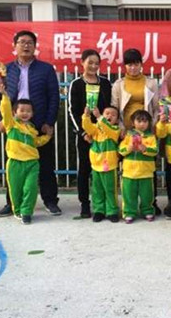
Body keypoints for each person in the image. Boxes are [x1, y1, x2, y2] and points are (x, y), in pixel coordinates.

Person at [0, 30, 61, 217]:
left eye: (30, 42)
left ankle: (50, 200)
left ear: (35, 46)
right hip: (14, 125)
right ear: (14, 46)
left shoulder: (46, 69)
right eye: (22, 42)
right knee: (14, 166)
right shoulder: (5, 70)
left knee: (46, 165)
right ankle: (12, 203)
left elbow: (54, 97)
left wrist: (49, 121)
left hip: (38, 123)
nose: (26, 45)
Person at [111, 48, 160, 212]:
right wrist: (121, 128)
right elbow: (114, 109)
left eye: (136, 64)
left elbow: (156, 108)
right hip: (126, 132)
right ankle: (128, 206)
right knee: (127, 168)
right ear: (125, 66)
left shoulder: (151, 83)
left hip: (147, 131)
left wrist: (152, 127)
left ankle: (151, 203)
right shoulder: (118, 85)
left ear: (141, 64)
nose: (133, 68)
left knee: (149, 165)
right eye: (129, 64)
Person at [0, 83, 52, 224]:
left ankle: (26, 212)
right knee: (15, 190)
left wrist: (48, 136)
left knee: (30, 188)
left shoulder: (33, 129)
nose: (25, 113)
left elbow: (37, 142)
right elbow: (5, 111)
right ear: (15, 112)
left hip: (32, 163)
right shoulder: (11, 125)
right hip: (15, 162)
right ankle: (17, 211)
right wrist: (5, 96)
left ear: (32, 113)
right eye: (21, 110)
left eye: (28, 111)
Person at [68, 49, 113, 218]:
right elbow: (72, 111)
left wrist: (108, 127)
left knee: (106, 169)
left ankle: (106, 204)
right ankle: (85, 204)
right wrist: (82, 133)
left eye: (96, 63)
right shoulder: (76, 84)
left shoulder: (106, 83)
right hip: (85, 136)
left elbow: (111, 108)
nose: (93, 66)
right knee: (85, 169)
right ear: (82, 63)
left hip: (104, 135)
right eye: (90, 62)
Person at [81, 106, 121, 223]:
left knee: (110, 189)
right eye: (107, 113)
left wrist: (99, 117)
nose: (109, 116)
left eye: (113, 114)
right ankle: (99, 210)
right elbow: (87, 127)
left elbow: (107, 129)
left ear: (117, 119)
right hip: (96, 165)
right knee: (97, 190)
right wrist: (86, 115)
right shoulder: (96, 128)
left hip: (109, 166)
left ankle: (112, 211)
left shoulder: (115, 130)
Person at [119, 110, 159, 223]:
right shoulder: (128, 136)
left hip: (146, 173)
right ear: (133, 123)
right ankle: (129, 212)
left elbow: (155, 151)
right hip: (129, 173)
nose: (142, 124)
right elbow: (121, 150)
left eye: (145, 121)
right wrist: (129, 148)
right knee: (129, 195)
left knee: (147, 195)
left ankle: (147, 211)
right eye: (139, 121)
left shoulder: (151, 137)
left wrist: (145, 149)